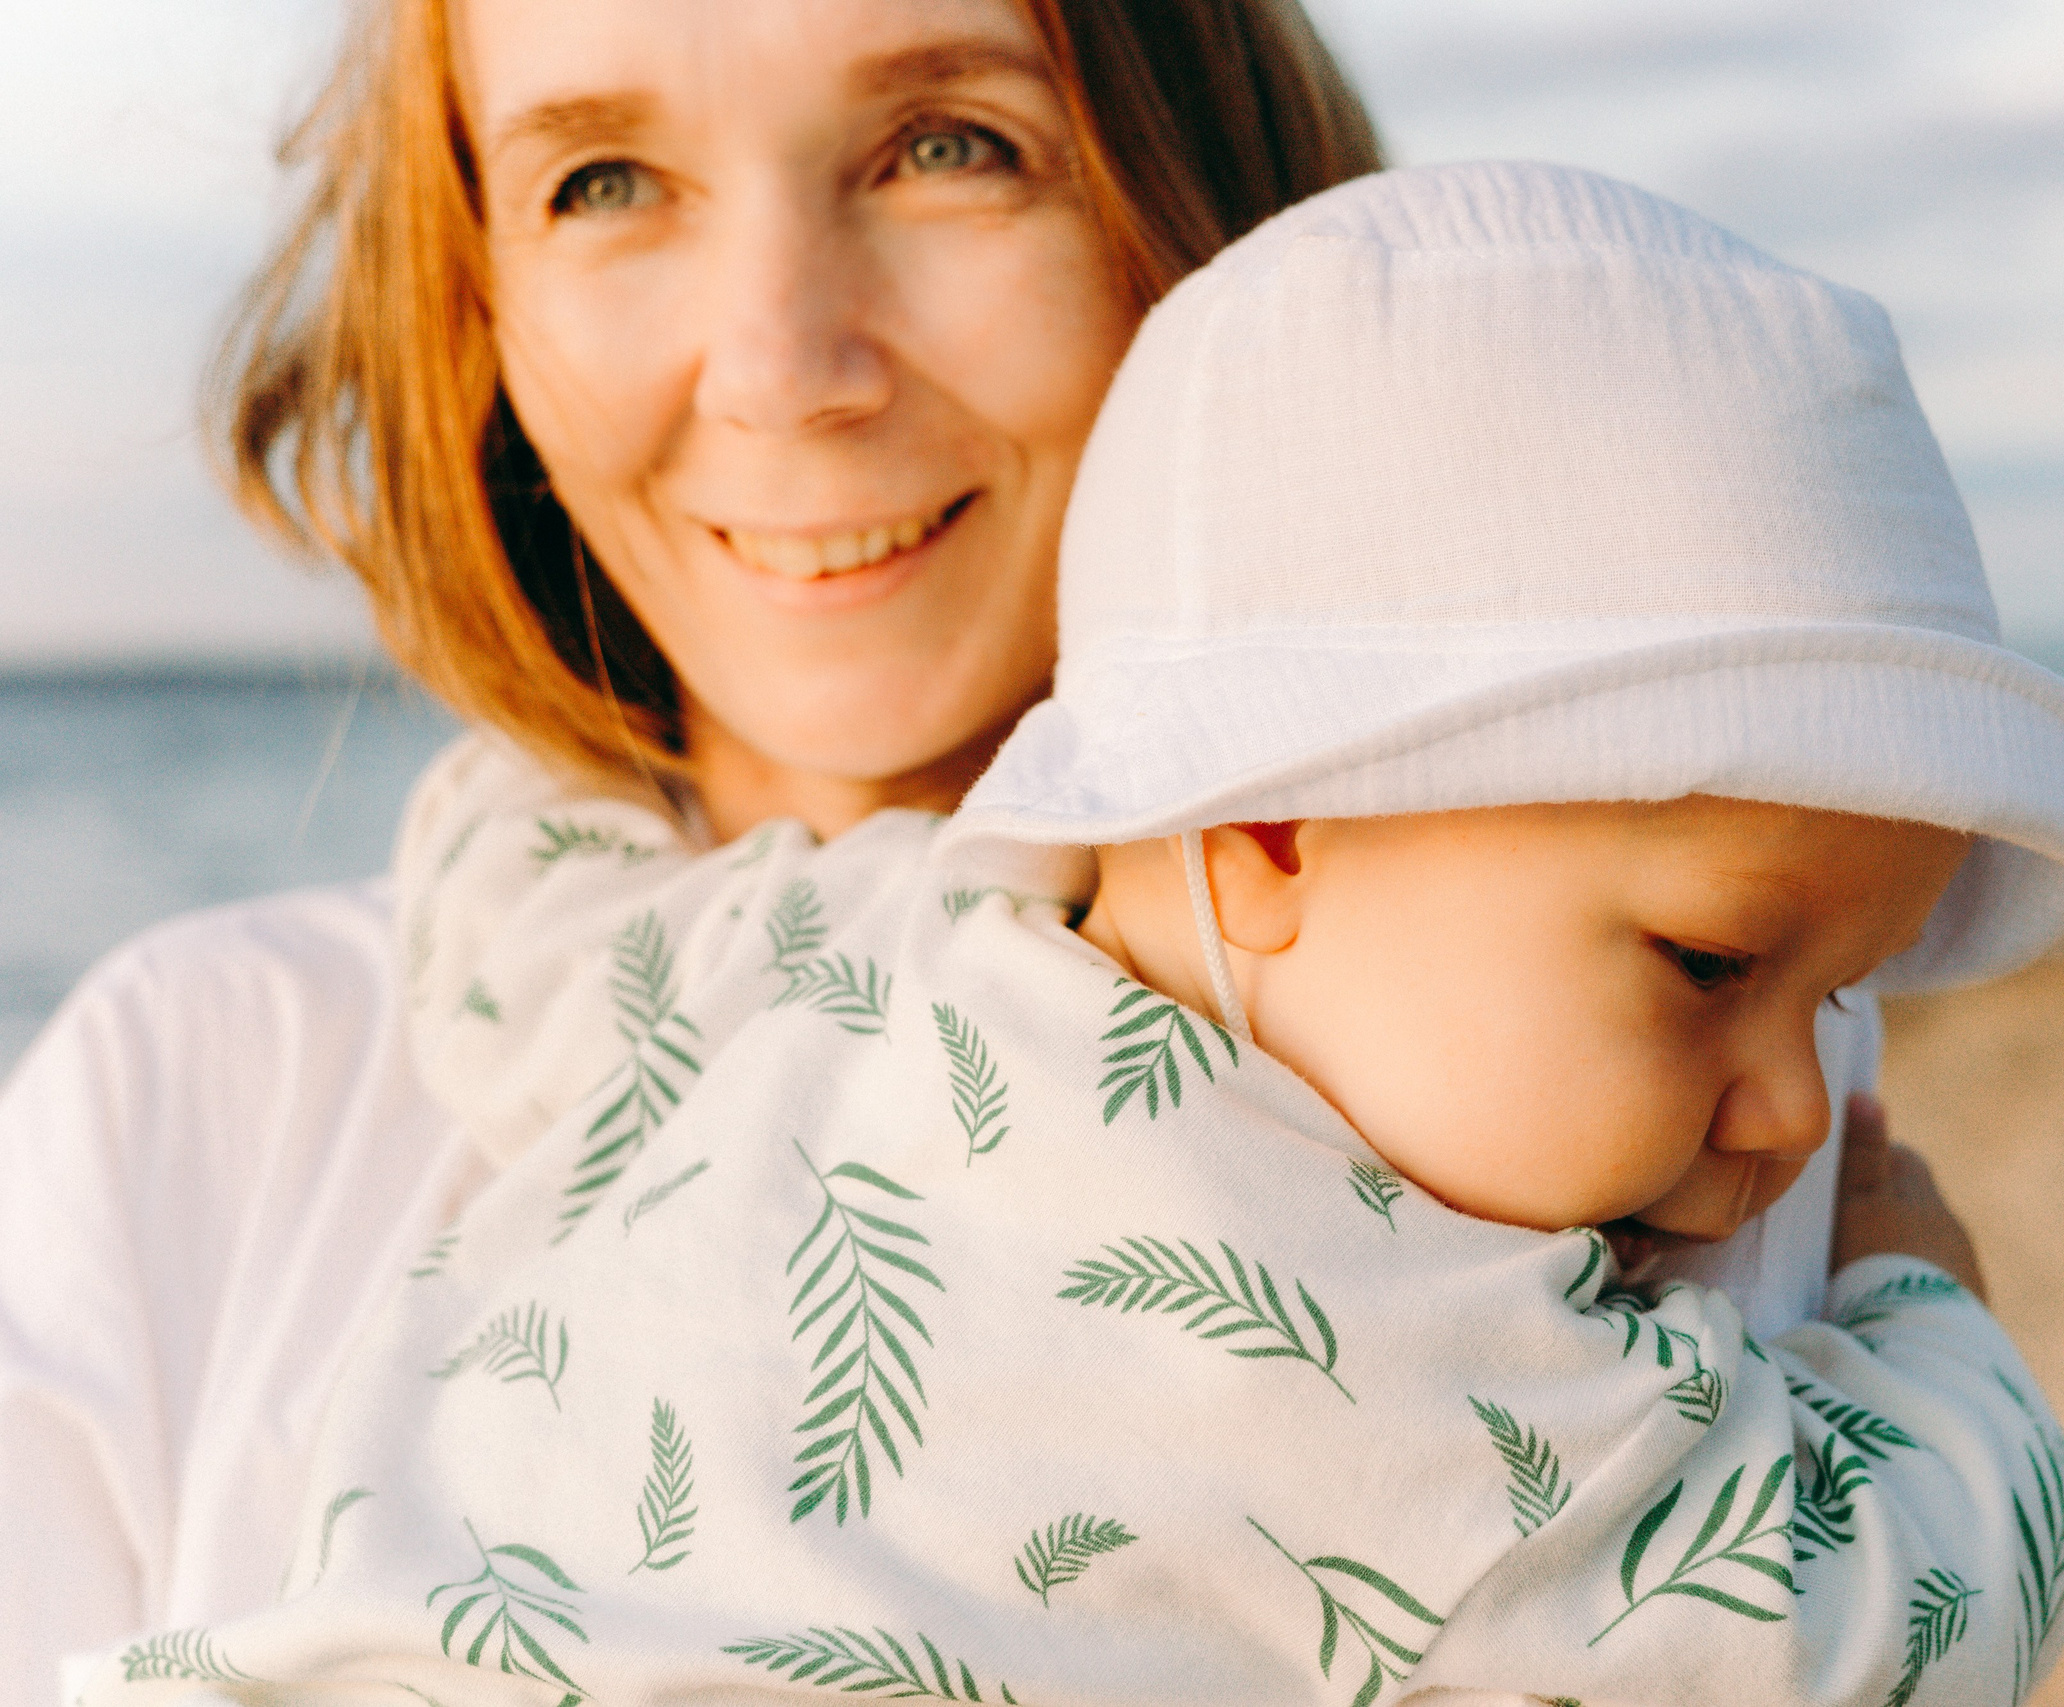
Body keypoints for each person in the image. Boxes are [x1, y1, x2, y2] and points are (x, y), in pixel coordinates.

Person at [82, 163, 2064, 1706]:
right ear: (1261, 828)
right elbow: (1833, 1613)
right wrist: (1936, 1344)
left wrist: (530, 764)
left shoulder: (847, 938)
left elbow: (511, 945)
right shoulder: (1424, 1350)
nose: (1791, 1101)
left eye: (1841, 988)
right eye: (1707, 966)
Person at [0, 2, 1390, 1703]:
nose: (783, 368)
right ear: (476, 291)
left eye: (952, 145)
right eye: (602, 182)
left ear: (1217, 195)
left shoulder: (1694, 1058)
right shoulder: (196, 1098)